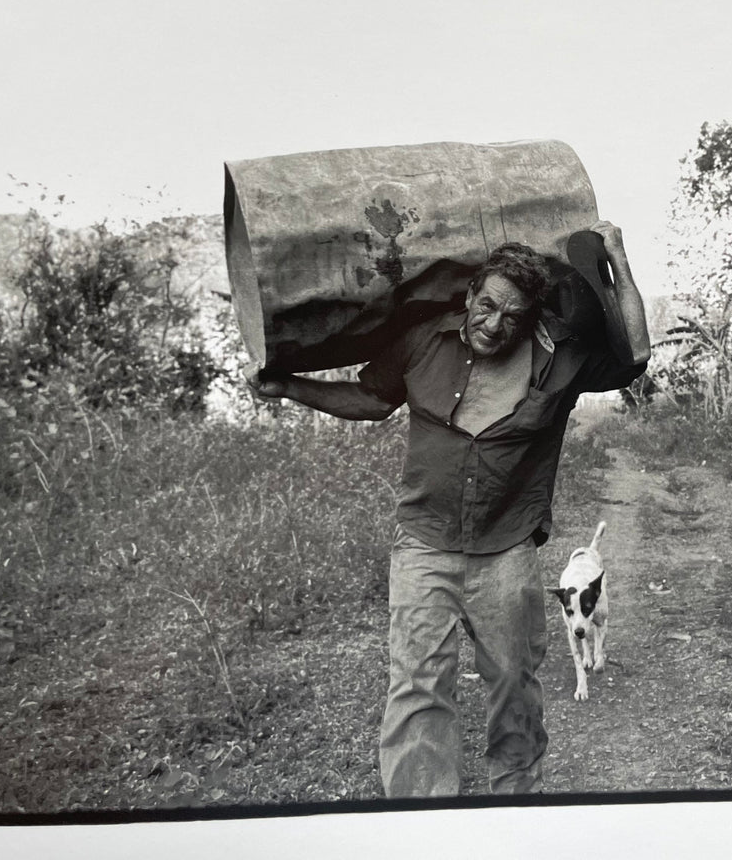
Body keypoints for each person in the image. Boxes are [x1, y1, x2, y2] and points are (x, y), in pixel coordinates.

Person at [249, 221, 650, 797]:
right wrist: (290, 388)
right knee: (417, 689)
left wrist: (616, 254)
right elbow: (371, 398)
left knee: (513, 685)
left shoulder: (560, 358)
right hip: (424, 543)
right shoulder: (421, 339)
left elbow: (636, 353)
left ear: (532, 318)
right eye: (486, 306)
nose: (494, 325)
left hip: (506, 548)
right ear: (469, 295)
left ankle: (514, 809)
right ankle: (423, 828)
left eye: (512, 317)